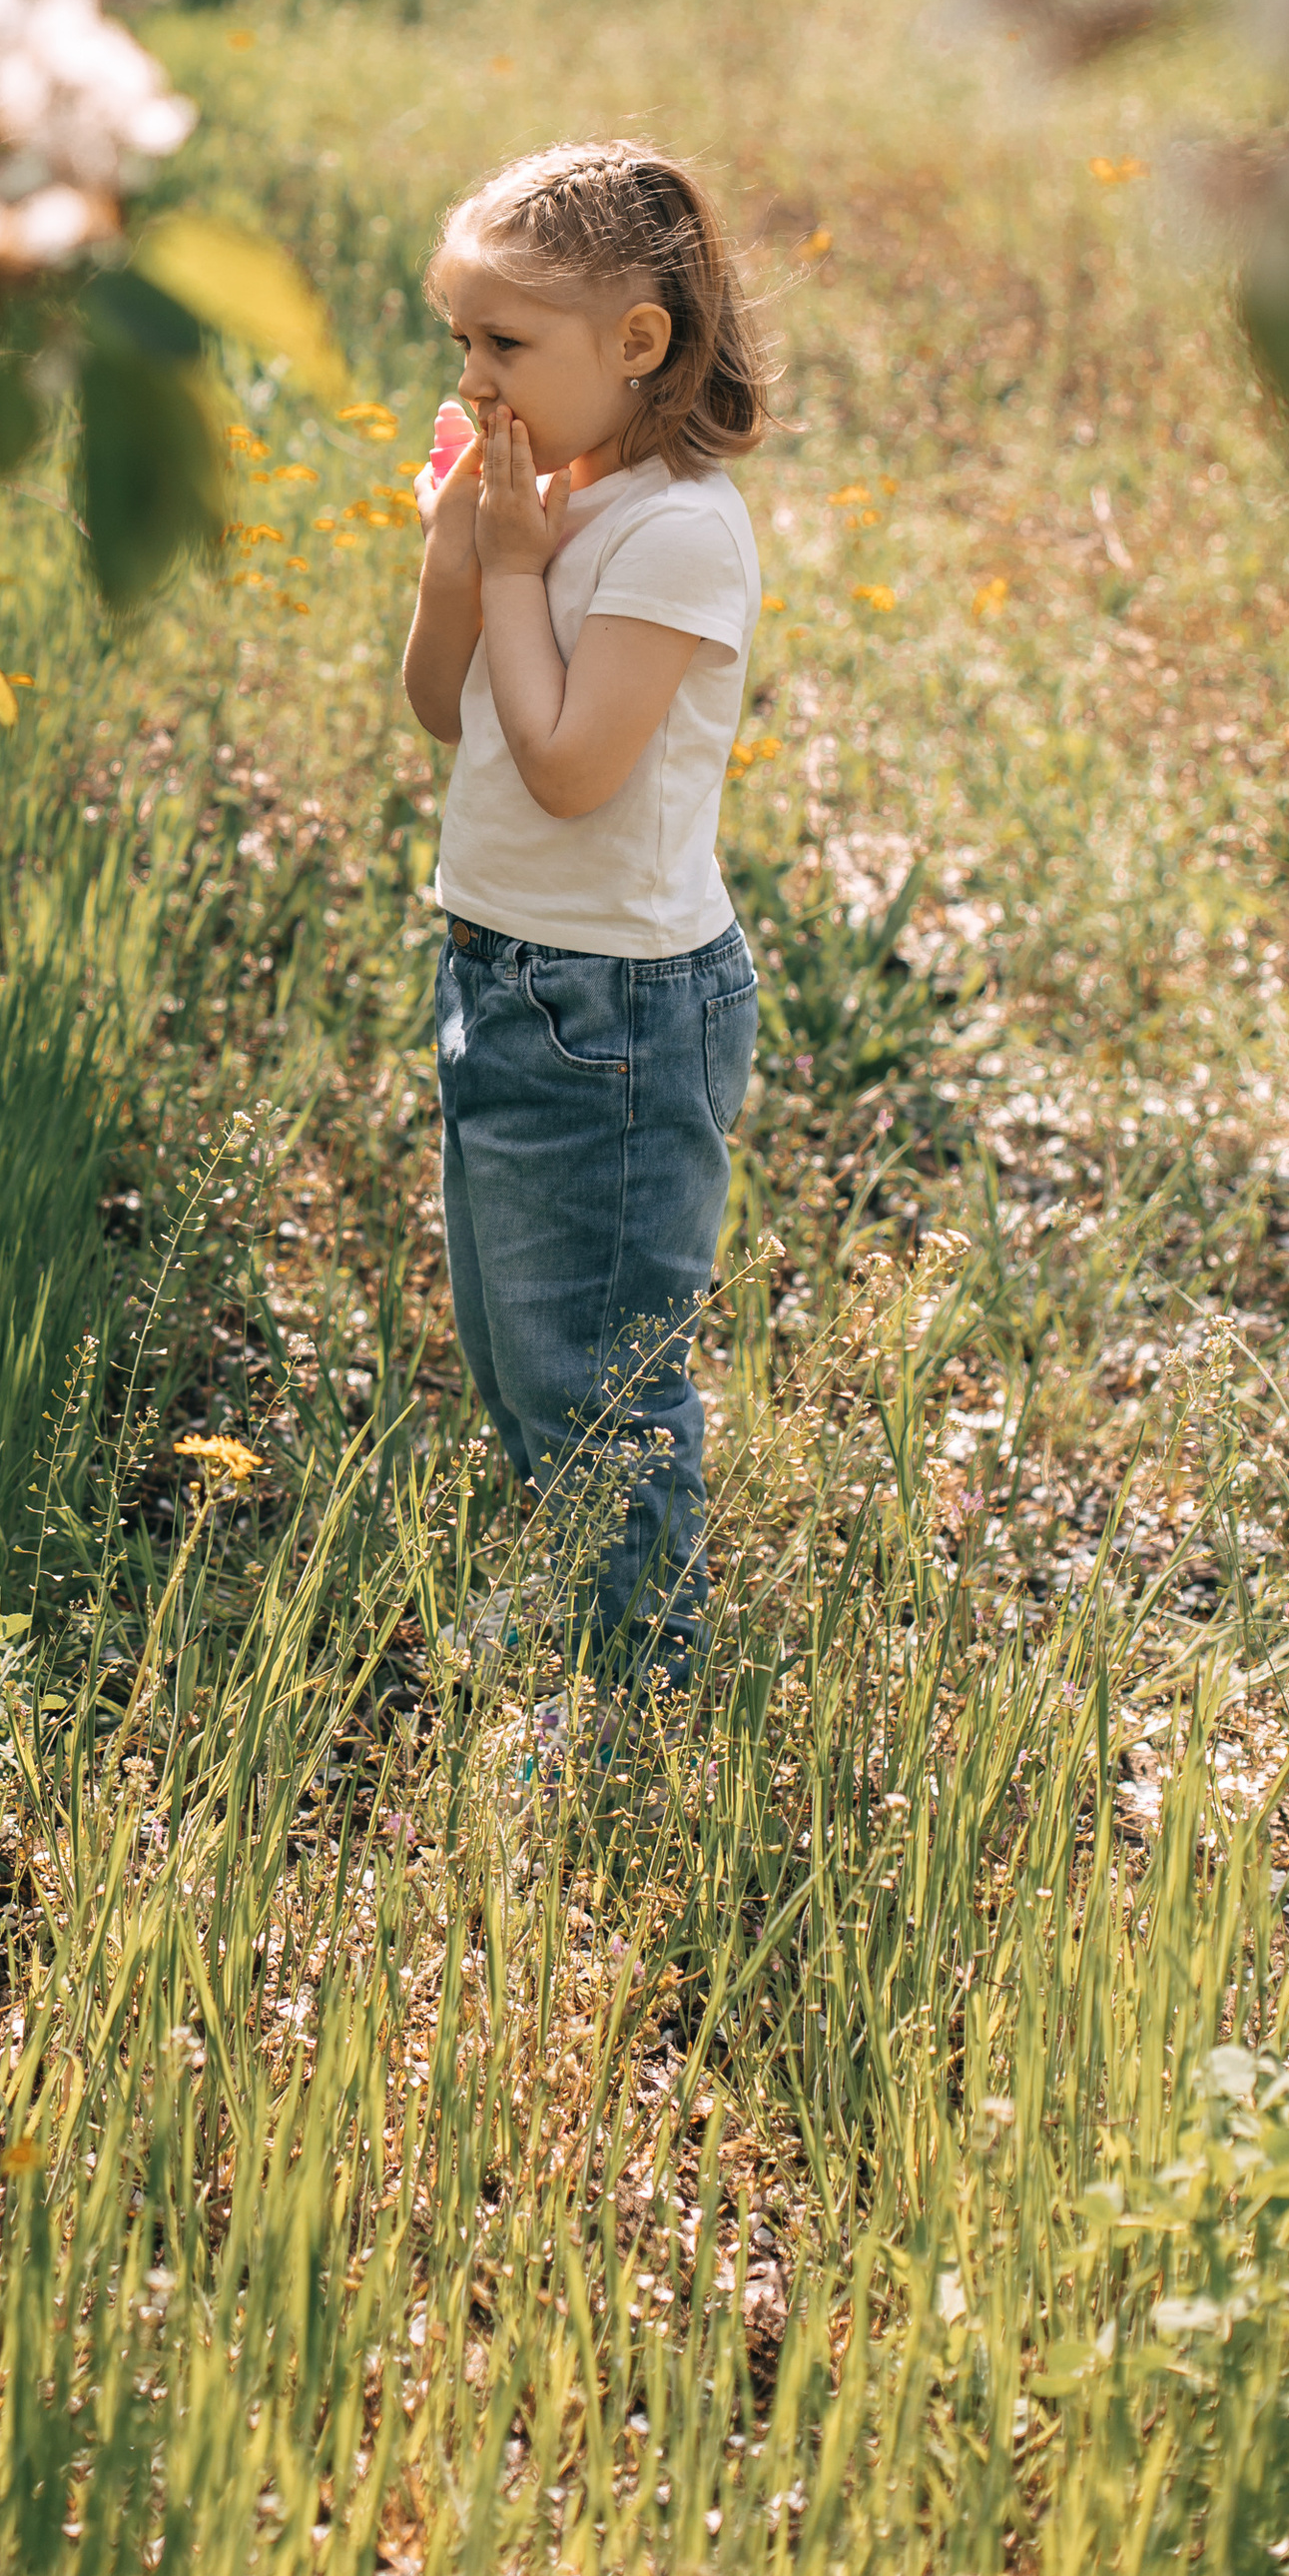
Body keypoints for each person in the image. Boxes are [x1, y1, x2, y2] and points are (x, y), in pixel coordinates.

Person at [402, 139, 768, 1764]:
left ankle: (635, 1694)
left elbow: (564, 768)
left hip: (615, 1009)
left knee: (601, 1373)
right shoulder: (546, 502)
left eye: (507, 343)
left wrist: (517, 568)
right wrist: (459, 553)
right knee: (512, 1344)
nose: (474, 376)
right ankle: (575, 1596)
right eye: (462, 340)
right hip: (502, 968)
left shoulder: (675, 535)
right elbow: (443, 704)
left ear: (636, 342)